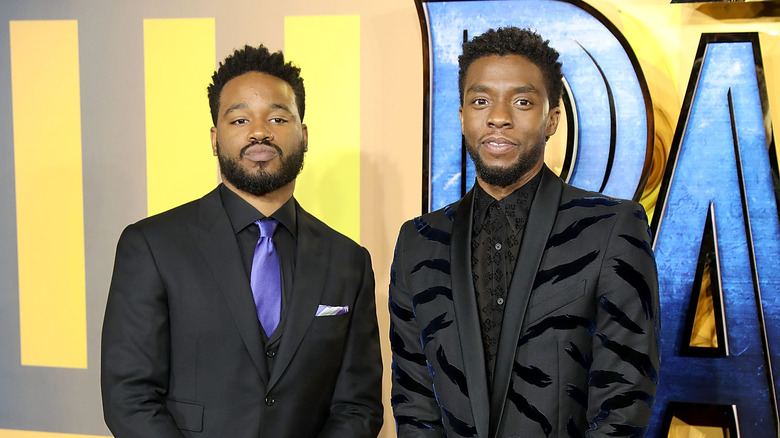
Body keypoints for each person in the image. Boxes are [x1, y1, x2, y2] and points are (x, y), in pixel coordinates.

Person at [389, 27, 660, 437]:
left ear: (552, 120)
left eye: (522, 101)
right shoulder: (419, 240)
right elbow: (414, 399)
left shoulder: (610, 228)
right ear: (463, 117)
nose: (498, 117)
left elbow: (624, 397)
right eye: (481, 101)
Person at [101, 44, 383, 438]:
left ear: (303, 135)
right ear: (215, 139)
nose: (259, 131)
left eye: (277, 117)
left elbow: (358, 405)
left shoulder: (348, 260)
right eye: (239, 120)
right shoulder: (151, 246)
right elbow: (129, 397)